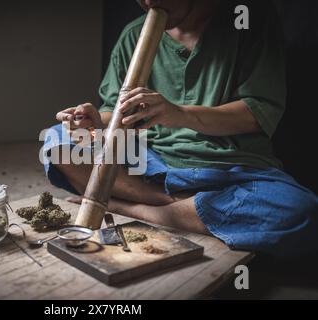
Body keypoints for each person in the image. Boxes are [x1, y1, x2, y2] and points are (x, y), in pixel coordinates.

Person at [42, 0, 318, 259]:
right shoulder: (133, 34)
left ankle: (133, 208)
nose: (149, 2)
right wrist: (92, 121)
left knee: (303, 213)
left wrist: (179, 114)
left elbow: (258, 112)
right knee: (58, 140)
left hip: (225, 167)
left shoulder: (248, 18)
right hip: (151, 161)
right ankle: (183, 205)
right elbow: (115, 111)